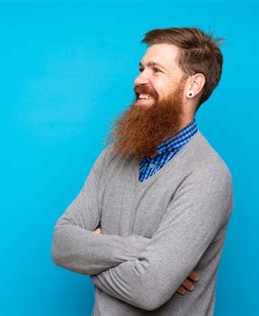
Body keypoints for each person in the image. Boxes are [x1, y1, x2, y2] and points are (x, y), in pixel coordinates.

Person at [51, 27, 234, 315]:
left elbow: (148, 289)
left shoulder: (207, 175)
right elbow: (62, 244)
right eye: (141, 68)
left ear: (193, 85)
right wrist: (139, 250)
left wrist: (89, 257)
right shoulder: (113, 156)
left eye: (156, 70)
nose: (139, 80)